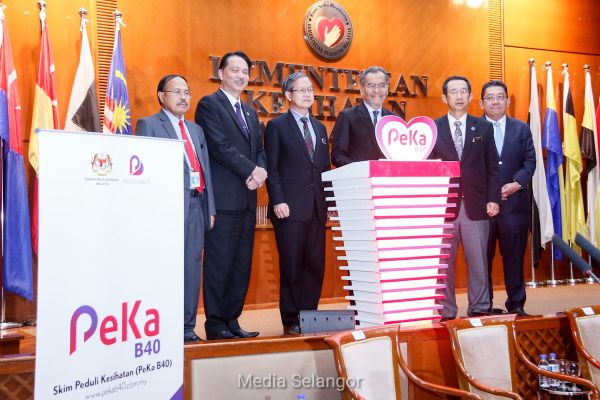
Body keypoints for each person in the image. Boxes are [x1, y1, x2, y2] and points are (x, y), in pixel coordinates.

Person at [136, 74, 215, 343]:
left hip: (196, 206)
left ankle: (186, 328)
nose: (183, 97)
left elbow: (205, 170)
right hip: (165, 210)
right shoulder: (148, 125)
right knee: (165, 269)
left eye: (187, 92)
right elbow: (143, 171)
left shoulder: (195, 130)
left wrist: (210, 208)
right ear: (162, 96)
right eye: (176, 92)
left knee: (192, 268)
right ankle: (161, 326)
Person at [194, 51, 266, 340]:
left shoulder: (250, 112)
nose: (240, 75)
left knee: (240, 265)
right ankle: (215, 324)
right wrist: (252, 170)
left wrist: (261, 170)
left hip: (247, 200)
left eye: (245, 71)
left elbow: (259, 149)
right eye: (234, 70)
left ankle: (232, 319)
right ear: (221, 73)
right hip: (223, 200)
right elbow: (219, 146)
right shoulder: (209, 105)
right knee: (219, 263)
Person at [428, 75, 501, 321]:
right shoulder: (433, 128)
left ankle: (479, 306)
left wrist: (493, 198)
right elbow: (427, 168)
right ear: (444, 97)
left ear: (470, 96)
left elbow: (492, 167)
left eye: (463, 91)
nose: (459, 96)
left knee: (478, 260)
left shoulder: (483, 127)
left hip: (476, 205)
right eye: (453, 91)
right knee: (443, 264)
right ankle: (446, 310)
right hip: (443, 206)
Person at [264, 72, 331, 335]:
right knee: (292, 266)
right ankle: (291, 319)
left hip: (316, 209)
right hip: (289, 209)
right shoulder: (277, 126)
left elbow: (323, 169)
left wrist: (328, 203)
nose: (307, 94)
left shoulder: (320, 128)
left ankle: (309, 316)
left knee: (315, 265)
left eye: (309, 90)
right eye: (301, 90)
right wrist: (277, 200)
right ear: (288, 95)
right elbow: (272, 168)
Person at [480, 80, 536, 317]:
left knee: (514, 257)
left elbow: (530, 161)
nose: (495, 102)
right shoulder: (473, 128)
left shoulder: (521, 128)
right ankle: (484, 304)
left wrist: (516, 184)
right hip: (482, 208)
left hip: (515, 206)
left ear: (507, 101)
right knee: (482, 258)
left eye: (500, 97)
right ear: (482, 103)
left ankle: (516, 303)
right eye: (490, 97)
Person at [331, 66, 395, 167]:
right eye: (371, 85)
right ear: (362, 89)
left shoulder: (394, 120)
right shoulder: (347, 117)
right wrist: (359, 169)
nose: (377, 90)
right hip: (358, 176)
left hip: (387, 176)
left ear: (387, 89)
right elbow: (337, 155)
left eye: (382, 85)